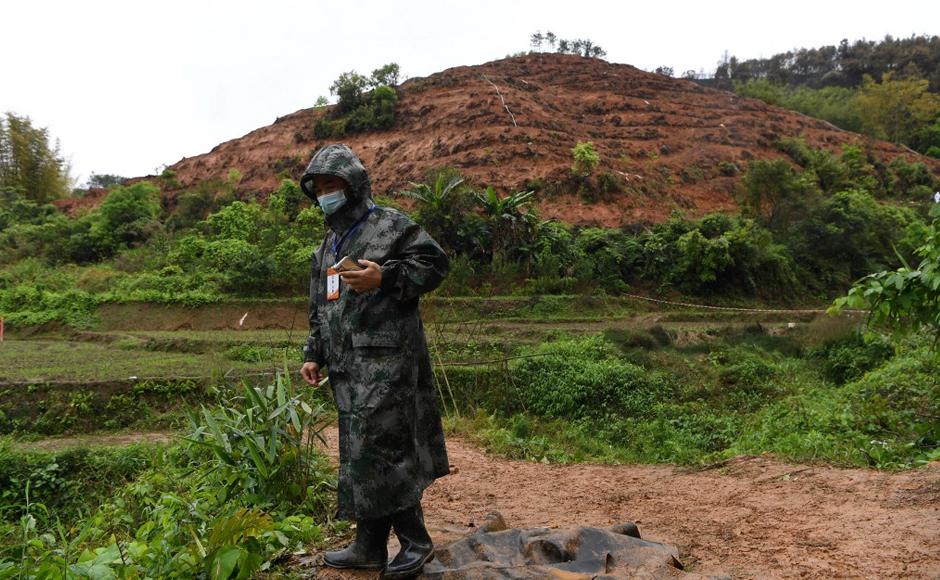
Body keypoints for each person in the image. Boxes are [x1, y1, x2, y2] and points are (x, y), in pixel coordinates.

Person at [298, 143, 450, 578]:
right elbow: (321, 307)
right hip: (347, 369)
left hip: (390, 362)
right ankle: (368, 547)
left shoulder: (391, 226)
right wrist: (314, 354)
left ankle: (416, 543)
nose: (327, 193)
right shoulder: (327, 248)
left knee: (384, 449)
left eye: (334, 185)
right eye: (320, 187)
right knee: (359, 453)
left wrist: (386, 276)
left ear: (355, 186)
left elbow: (435, 264)